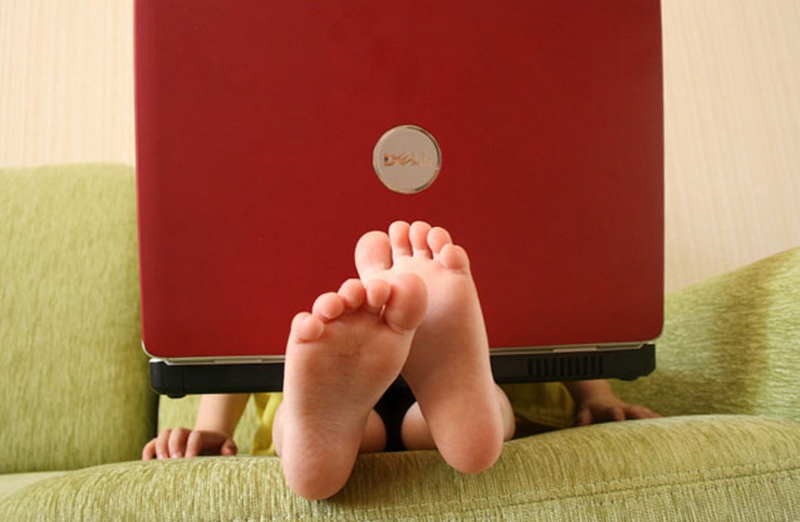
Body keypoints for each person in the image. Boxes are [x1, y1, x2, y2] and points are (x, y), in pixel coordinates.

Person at [142, 221, 659, 500]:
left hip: (354, 364)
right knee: (479, 406)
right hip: (356, 369)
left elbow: (549, 264)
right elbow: (241, 301)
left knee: (312, 410)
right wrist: (210, 430)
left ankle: (327, 434)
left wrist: (598, 394)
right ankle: (454, 411)